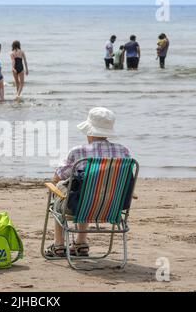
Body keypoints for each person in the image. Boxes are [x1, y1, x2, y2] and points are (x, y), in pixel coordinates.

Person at [46, 107, 132, 258]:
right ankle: (81, 243)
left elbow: (59, 175)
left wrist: (54, 184)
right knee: (88, 189)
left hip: (81, 207)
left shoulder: (79, 152)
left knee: (60, 191)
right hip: (113, 208)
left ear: (89, 131)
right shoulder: (123, 152)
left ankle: (59, 245)